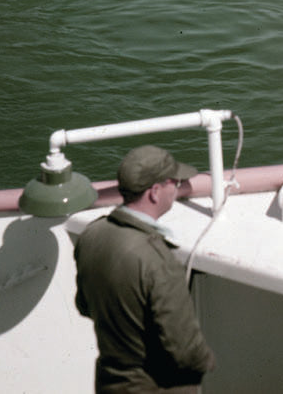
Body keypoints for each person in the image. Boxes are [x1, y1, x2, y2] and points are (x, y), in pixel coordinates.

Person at [74, 144, 216, 393]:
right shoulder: (158, 258)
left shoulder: (92, 234)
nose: (177, 188)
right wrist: (207, 361)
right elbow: (185, 350)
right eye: (174, 182)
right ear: (155, 192)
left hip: (110, 381)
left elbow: (84, 305)